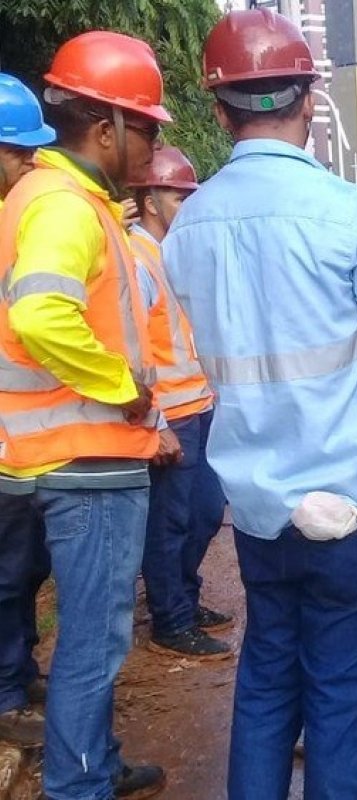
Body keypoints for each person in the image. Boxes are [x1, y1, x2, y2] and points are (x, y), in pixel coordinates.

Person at [162, 10, 357, 799]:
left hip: (260, 508)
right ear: (310, 101)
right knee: (339, 700)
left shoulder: (185, 226)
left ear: (220, 111)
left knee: (265, 685)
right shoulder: (347, 211)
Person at [0, 32, 173, 799]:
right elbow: (40, 314)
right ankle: (78, 787)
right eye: (149, 129)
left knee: (88, 639)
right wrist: (123, 388)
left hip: (53, 455)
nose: (153, 148)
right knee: (94, 644)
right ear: (105, 125)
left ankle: (91, 764)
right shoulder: (66, 207)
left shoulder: (44, 199)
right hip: (87, 459)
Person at [127, 146, 232, 661]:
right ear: (149, 199)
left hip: (199, 406)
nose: (186, 203)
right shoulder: (137, 259)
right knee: (170, 525)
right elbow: (128, 350)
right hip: (171, 415)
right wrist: (156, 421)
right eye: (177, 194)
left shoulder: (170, 254)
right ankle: (171, 619)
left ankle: (184, 601)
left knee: (206, 512)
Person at [0, 71, 56, 748]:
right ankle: (7, 690)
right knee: (9, 572)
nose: (26, 167)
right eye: (17, 153)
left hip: (24, 441)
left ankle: (19, 671)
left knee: (25, 567)